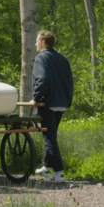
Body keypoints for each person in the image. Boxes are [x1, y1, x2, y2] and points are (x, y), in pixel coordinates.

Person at [31, 30, 74, 184]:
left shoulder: (40, 58)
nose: (35, 43)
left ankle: (59, 173)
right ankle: (46, 166)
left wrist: (36, 98)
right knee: (51, 136)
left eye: (37, 40)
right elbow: (69, 83)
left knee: (49, 138)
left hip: (47, 103)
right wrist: (67, 103)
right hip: (61, 103)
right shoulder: (63, 59)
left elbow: (42, 80)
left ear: (43, 42)